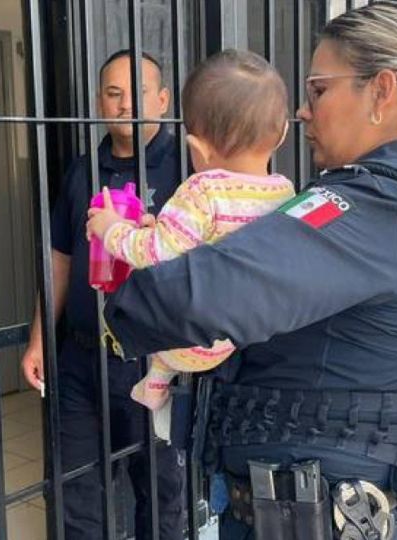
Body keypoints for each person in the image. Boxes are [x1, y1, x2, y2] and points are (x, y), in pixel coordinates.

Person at [103, 2, 397, 539]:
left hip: (316, 518)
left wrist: (123, 311)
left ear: (382, 92)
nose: (302, 112)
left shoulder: (362, 210)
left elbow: (187, 298)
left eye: (318, 90)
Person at [20, 50, 185, 539]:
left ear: (162, 99)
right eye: (113, 94)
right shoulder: (81, 172)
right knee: (75, 494)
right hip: (81, 363)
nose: (123, 105)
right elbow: (60, 261)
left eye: (136, 93)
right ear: (98, 101)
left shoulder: (188, 171)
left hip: (156, 365)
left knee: (160, 498)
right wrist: (38, 341)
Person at [86, 50, 295, 413]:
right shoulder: (284, 190)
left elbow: (154, 253)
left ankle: (155, 385)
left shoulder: (203, 189)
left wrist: (110, 228)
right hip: (249, 327)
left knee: (153, 318)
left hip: (190, 339)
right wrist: (165, 230)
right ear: (282, 135)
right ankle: (156, 389)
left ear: (196, 147)